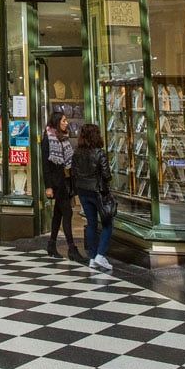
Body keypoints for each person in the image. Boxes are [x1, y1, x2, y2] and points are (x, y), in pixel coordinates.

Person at [41, 109, 85, 263]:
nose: (67, 123)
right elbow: (45, 165)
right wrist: (48, 186)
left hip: (66, 181)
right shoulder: (48, 139)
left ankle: (52, 245)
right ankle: (72, 249)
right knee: (67, 213)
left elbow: (69, 161)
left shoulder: (64, 138)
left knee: (58, 214)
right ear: (57, 122)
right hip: (57, 183)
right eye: (64, 121)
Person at [72, 122, 114, 272]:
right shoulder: (99, 153)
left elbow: (74, 172)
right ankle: (100, 255)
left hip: (83, 191)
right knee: (107, 223)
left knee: (91, 223)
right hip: (98, 192)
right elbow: (106, 175)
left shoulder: (77, 153)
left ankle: (92, 256)